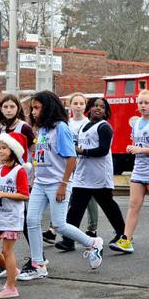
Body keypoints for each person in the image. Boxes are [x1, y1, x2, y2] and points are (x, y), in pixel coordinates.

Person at [19, 91, 104, 281]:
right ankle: (38, 264)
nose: (33, 112)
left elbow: (71, 158)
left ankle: (92, 243)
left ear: (48, 108)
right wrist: (33, 177)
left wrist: (63, 185)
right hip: (40, 183)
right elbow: (39, 158)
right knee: (31, 221)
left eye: (37, 108)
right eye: (32, 108)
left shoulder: (61, 129)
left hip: (58, 183)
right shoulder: (42, 130)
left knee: (58, 224)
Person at [60, 98, 127, 252]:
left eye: (102, 107)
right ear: (89, 108)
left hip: (99, 175)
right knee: (75, 208)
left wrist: (82, 151)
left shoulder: (105, 127)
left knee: (108, 206)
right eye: (95, 106)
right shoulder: (84, 125)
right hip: (83, 175)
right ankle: (68, 240)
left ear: (106, 111)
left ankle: (123, 234)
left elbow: (103, 150)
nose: (98, 109)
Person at [0, 93, 37, 278]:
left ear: (18, 108)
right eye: (5, 107)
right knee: (2, 217)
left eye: (12, 107)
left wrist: (32, 170)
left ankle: (36, 256)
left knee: (23, 219)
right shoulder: (2, 127)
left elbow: (34, 151)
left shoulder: (24, 127)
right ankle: (2, 261)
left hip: (20, 174)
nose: (8, 110)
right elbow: (0, 152)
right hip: (3, 173)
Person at [111, 90, 149, 254]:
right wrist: (133, 149)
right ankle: (126, 240)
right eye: (140, 102)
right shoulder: (136, 124)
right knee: (133, 205)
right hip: (138, 170)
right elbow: (137, 145)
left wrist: (140, 150)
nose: (143, 106)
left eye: (146, 102)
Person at [0, 133, 30, 299]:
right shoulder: (0, 168)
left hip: (11, 217)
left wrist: (2, 194)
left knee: (6, 251)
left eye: (4, 148)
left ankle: (11, 288)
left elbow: (25, 195)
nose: (0, 151)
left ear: (13, 150)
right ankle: (13, 271)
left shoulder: (20, 171)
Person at [55, 93, 99, 251]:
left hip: (84, 164)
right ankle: (64, 233)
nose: (79, 106)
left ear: (85, 105)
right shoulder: (66, 124)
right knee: (73, 199)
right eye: (76, 103)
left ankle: (91, 229)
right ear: (70, 105)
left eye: (81, 103)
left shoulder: (88, 123)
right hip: (68, 164)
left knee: (89, 198)